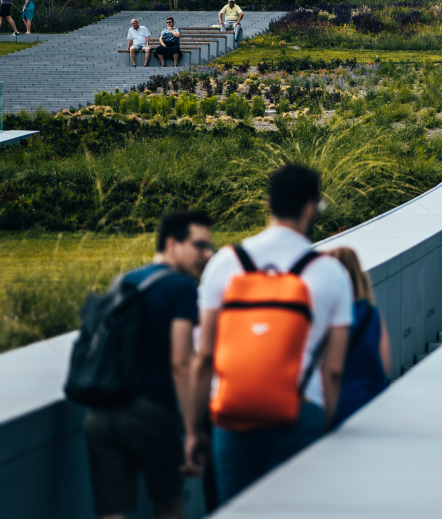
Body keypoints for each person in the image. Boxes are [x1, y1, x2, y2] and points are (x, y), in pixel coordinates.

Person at [185, 164, 352, 507]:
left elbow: (203, 357)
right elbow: (333, 370)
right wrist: (330, 428)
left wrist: (193, 429)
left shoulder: (225, 263)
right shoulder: (331, 273)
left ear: (269, 204)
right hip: (301, 413)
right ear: (310, 208)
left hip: (234, 415)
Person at [83, 211, 214, 519]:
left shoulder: (124, 280)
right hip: (150, 412)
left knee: (113, 512)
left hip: (101, 412)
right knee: (169, 506)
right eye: (199, 245)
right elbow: (181, 362)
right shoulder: (181, 288)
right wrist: (193, 429)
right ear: (172, 243)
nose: (207, 255)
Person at [325, 247, 390, 427]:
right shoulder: (372, 313)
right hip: (371, 399)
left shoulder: (328, 316)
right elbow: (385, 364)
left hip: (338, 400)